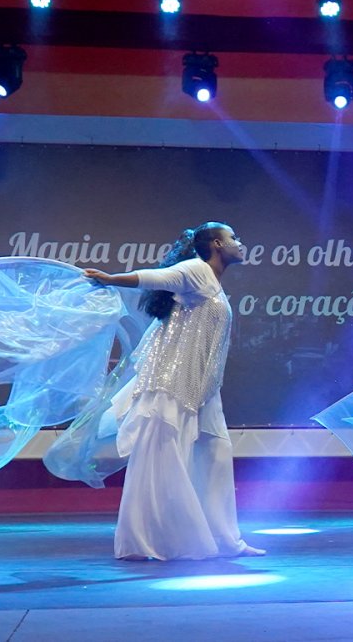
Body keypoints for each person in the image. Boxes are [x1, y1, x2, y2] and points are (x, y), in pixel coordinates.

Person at [83, 222, 264, 560]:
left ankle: (226, 538)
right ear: (216, 243)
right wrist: (110, 279)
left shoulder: (213, 282)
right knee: (166, 461)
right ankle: (156, 540)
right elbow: (156, 278)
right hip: (173, 386)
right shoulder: (196, 270)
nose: (240, 242)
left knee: (218, 456)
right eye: (234, 238)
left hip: (203, 388)